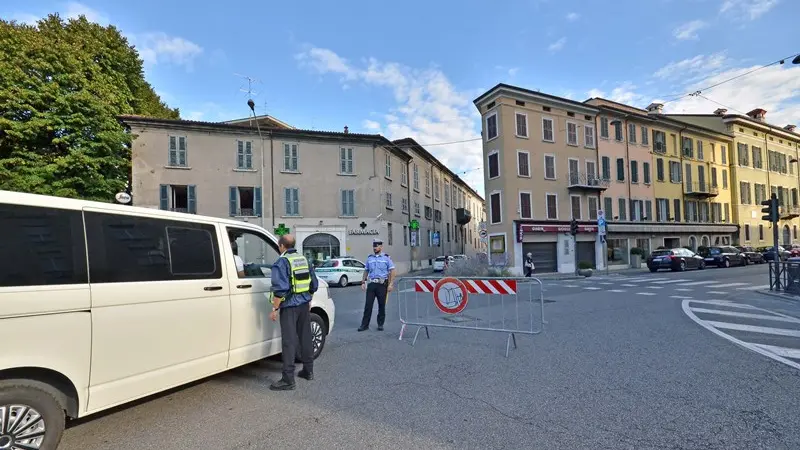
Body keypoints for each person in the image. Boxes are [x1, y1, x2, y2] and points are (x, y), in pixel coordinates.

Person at [268, 234, 318, 391]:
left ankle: (288, 379)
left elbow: (280, 289)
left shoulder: (282, 262)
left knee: (289, 342)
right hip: (304, 305)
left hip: (289, 307)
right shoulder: (303, 259)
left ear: (281, 246)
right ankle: (308, 371)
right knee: (305, 337)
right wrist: (308, 299)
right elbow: (313, 284)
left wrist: (275, 309)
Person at [358, 238, 396, 332]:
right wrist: (363, 282)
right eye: (374, 246)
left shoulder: (386, 258)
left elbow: (392, 271)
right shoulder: (370, 258)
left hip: (382, 284)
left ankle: (380, 324)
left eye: (377, 246)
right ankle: (364, 325)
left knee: (381, 305)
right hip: (372, 284)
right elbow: (366, 270)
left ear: (381, 247)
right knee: (368, 305)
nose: (375, 248)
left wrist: (391, 284)